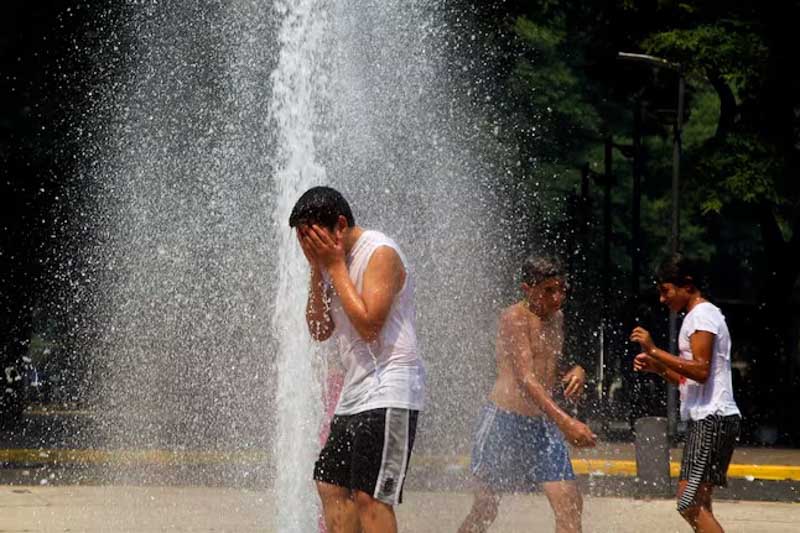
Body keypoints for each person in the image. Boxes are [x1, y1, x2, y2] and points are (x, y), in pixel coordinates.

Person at [289, 186, 425, 533]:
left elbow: (369, 326)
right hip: (355, 393)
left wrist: (333, 266)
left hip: (391, 387)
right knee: (330, 483)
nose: (309, 248)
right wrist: (317, 272)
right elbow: (320, 330)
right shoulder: (330, 264)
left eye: (313, 238)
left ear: (339, 224)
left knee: (370, 496)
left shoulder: (380, 252)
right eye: (304, 241)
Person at [458, 255, 596, 533]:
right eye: (549, 290)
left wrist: (577, 370)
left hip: (542, 424)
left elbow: (549, 364)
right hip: (503, 422)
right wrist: (566, 422)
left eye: (561, 289)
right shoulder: (514, 318)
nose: (557, 298)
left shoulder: (557, 318)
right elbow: (526, 379)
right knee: (486, 508)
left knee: (570, 506)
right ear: (527, 289)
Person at [630, 254, 741, 533]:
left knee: (687, 501)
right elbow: (688, 378)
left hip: (711, 419)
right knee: (700, 503)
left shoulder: (701, 315)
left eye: (666, 290)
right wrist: (658, 367)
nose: (662, 299)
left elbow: (701, 370)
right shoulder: (700, 315)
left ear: (687, 285)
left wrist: (655, 350)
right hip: (712, 418)